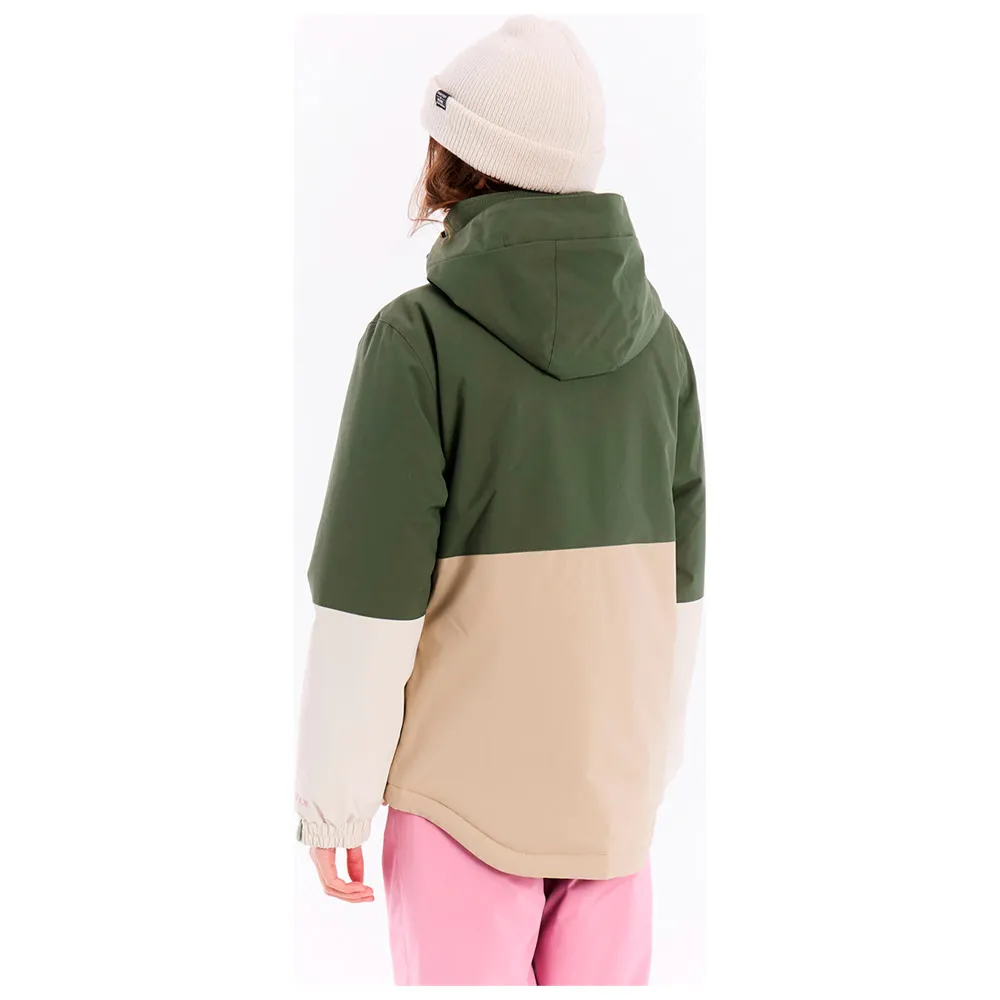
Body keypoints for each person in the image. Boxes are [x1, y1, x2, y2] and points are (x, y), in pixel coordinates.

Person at [295, 15, 705, 987]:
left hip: (460, 808)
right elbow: (678, 601)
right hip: (612, 814)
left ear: (457, 158)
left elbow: (368, 598)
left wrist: (334, 800)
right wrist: (642, 776)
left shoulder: (417, 344)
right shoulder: (661, 350)